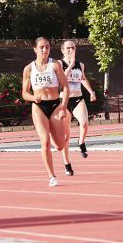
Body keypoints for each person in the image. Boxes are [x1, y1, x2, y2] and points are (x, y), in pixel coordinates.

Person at [22, 37, 71, 187]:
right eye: (42, 47)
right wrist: (33, 97)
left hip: (55, 105)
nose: (45, 50)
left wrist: (63, 107)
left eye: (47, 47)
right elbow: (24, 93)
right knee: (44, 142)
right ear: (35, 49)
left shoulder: (55, 65)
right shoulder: (29, 69)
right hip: (39, 106)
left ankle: (54, 128)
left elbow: (66, 88)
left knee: (60, 146)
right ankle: (52, 176)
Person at [60, 39, 98, 158]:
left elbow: (83, 78)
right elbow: (62, 79)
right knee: (66, 134)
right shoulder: (59, 64)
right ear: (63, 50)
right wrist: (70, 65)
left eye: (73, 48)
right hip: (64, 101)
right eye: (68, 48)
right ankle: (67, 162)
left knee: (84, 123)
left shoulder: (80, 65)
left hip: (78, 98)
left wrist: (91, 92)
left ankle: (81, 142)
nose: (71, 50)